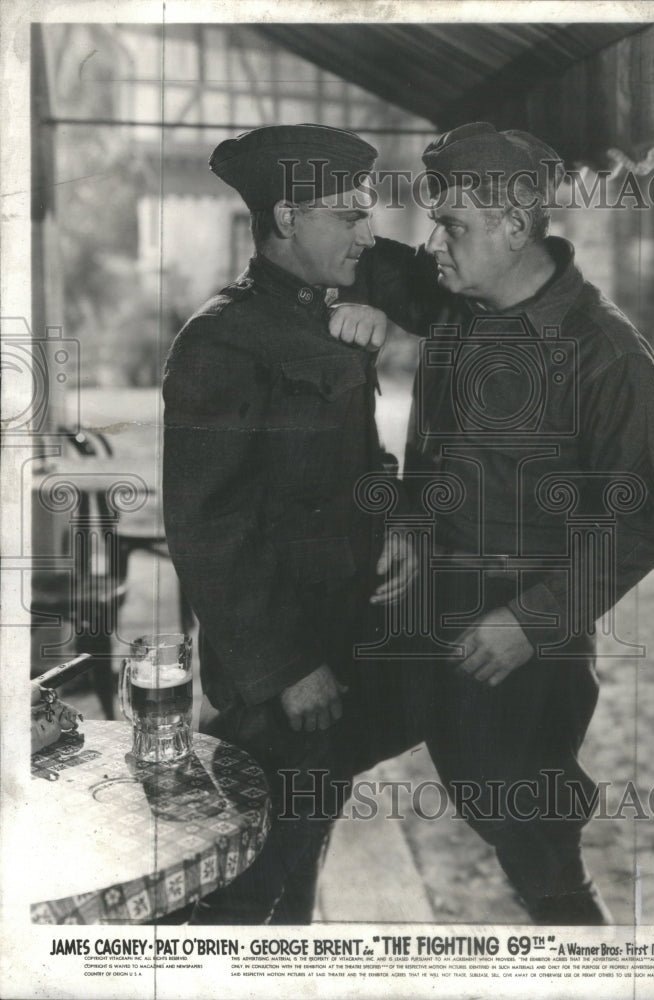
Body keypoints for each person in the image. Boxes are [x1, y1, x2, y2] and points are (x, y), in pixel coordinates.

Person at [330, 121, 654, 924]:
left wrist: (530, 623)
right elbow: (350, 253)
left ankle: (587, 959)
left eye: (450, 227)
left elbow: (640, 523)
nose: (434, 245)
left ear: (515, 226)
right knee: (299, 744)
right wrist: (350, 304)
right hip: (414, 609)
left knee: (533, 841)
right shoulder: (458, 296)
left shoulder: (605, 355)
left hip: (519, 647)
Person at [162, 124, 400, 924]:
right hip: (274, 687)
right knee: (240, 891)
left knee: (297, 876)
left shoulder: (326, 323)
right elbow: (206, 525)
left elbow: (361, 464)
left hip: (338, 652)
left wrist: (397, 516)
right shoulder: (222, 340)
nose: (367, 233)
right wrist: (288, 667)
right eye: (350, 214)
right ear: (289, 217)